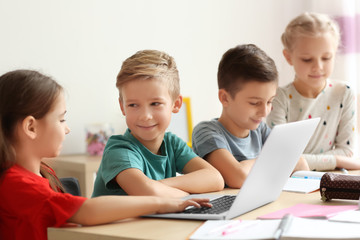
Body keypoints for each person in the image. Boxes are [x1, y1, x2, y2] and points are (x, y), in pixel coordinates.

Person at [0, 70, 212, 240]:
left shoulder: (41, 173)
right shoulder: (16, 184)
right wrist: (163, 204)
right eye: (62, 119)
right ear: (30, 127)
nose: (67, 129)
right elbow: (87, 211)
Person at [92, 50, 224, 198]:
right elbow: (148, 192)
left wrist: (160, 185)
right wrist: (186, 192)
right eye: (133, 105)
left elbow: (215, 179)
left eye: (155, 103)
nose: (145, 116)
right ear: (122, 106)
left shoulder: (171, 143)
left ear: (176, 104)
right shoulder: (118, 150)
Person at [192, 44, 310, 189]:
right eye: (255, 103)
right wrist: (273, 159)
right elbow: (239, 177)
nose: (265, 111)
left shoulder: (260, 130)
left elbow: (299, 163)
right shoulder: (206, 132)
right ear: (225, 98)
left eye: (269, 101)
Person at [266, 12, 360, 171]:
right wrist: (336, 160)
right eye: (307, 59)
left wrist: (301, 161)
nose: (318, 67)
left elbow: (347, 152)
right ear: (288, 57)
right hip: (290, 183)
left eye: (326, 58)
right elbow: (281, 157)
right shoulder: (278, 98)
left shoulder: (344, 93)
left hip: (333, 178)